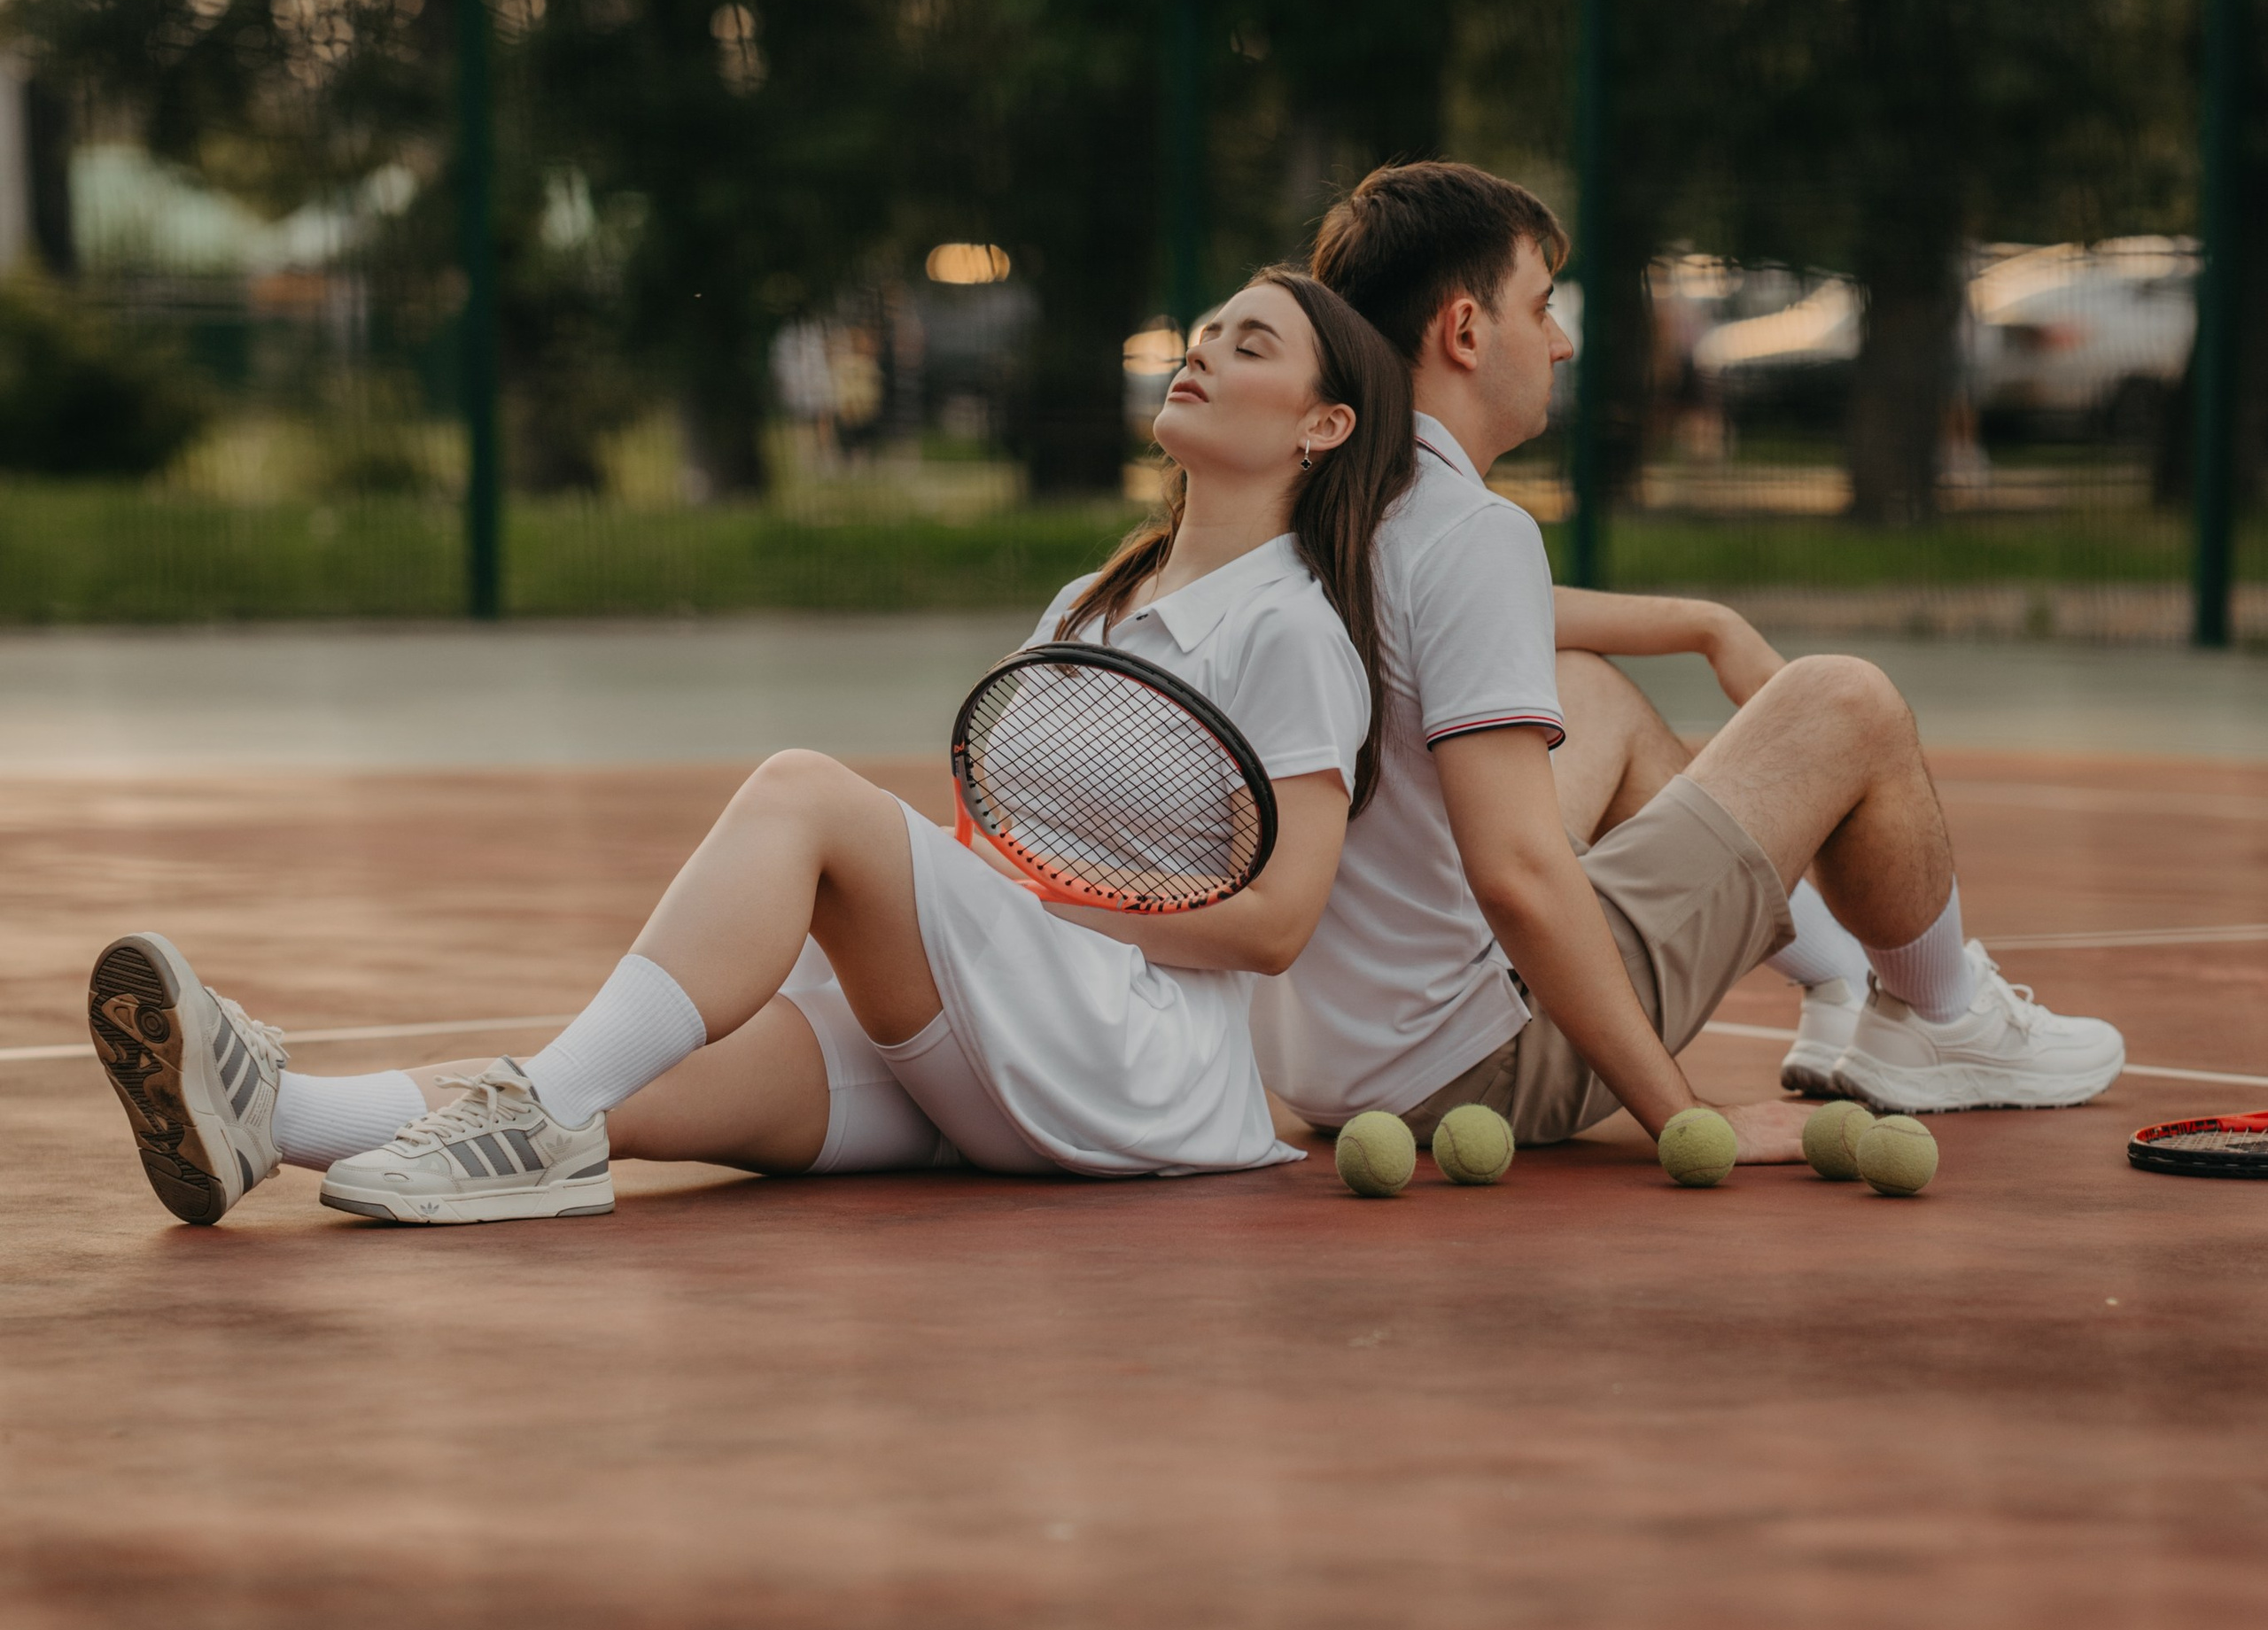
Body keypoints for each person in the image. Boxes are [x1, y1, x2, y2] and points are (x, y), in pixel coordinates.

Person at [89, 272, 1414, 1226]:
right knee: (642, 1081)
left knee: (801, 790)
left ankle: (529, 1126)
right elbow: (1002, 839)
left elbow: (1281, 922)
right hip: (1017, 1039)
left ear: (1322, 425)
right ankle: (273, 1112)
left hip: (1135, 1063)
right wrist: (994, 892)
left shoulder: (1297, 632)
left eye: (1252, 347)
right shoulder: (1090, 603)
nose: (1205, 350)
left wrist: (1033, 904)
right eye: (1207, 331)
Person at [1256, 159, 2122, 1160]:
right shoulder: (1470, 533)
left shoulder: (1336, 502)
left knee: (1592, 694)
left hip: (1332, 1070)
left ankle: (1839, 984)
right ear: (1462, 331)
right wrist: (1682, 1116)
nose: (1562, 340)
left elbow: (1487, 617)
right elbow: (1519, 878)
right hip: (1479, 1069)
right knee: (1845, 698)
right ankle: (1942, 1021)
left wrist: (1701, 622)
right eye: (1539, 309)